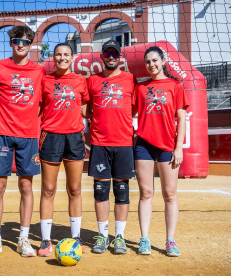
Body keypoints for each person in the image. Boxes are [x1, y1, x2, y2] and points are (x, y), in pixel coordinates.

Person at [0, 26, 45, 258]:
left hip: (28, 136)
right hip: (0, 134)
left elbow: (45, 103)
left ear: (31, 45)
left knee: (26, 186)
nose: (21, 44)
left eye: (25, 41)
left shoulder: (40, 72)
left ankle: (23, 239)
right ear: (10, 43)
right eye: (17, 40)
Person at [132, 46, 188, 257]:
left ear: (163, 61)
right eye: (147, 62)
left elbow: (181, 118)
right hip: (144, 145)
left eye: (154, 60)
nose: (151, 65)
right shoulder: (141, 87)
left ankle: (170, 240)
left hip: (167, 145)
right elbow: (128, 112)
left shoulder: (175, 86)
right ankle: (144, 239)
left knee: (170, 194)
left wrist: (179, 147)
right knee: (146, 193)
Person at [37, 43, 89, 257]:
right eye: (58, 54)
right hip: (50, 136)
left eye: (66, 54)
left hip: (74, 137)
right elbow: (39, 109)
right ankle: (45, 241)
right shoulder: (45, 80)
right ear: (54, 58)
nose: (62, 58)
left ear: (72, 57)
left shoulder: (80, 81)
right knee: (48, 190)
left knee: (74, 189)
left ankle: (76, 238)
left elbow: (84, 110)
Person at [87, 40, 137, 255]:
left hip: (123, 142)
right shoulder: (92, 81)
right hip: (100, 142)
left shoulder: (130, 79)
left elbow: (133, 109)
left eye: (114, 53)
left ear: (120, 57)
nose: (111, 56)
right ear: (102, 56)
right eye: (107, 53)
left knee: (122, 191)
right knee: (100, 192)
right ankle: (102, 235)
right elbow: (86, 109)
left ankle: (119, 237)